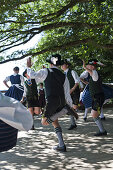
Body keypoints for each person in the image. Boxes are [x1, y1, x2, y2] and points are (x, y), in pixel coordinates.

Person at [26, 54, 78, 152]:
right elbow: (66, 92)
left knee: (44, 122)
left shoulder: (46, 71)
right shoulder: (64, 75)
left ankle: (63, 111)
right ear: (59, 64)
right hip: (61, 100)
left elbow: (32, 77)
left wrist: (29, 67)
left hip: (51, 101)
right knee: (55, 122)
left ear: (50, 63)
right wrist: (69, 104)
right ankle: (61, 145)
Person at [83, 59, 107, 136]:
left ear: (92, 67)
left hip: (98, 97)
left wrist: (84, 67)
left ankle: (102, 131)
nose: (87, 66)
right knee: (94, 114)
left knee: (94, 114)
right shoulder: (93, 74)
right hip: (96, 97)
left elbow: (91, 74)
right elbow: (92, 83)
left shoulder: (94, 73)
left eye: (88, 65)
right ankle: (102, 130)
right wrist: (83, 81)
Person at [61, 59, 83, 130]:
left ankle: (74, 118)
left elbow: (77, 81)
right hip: (67, 93)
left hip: (75, 92)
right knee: (70, 107)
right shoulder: (62, 74)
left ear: (67, 65)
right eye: (61, 65)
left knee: (74, 107)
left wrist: (72, 89)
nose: (62, 66)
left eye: (63, 64)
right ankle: (73, 124)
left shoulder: (72, 71)